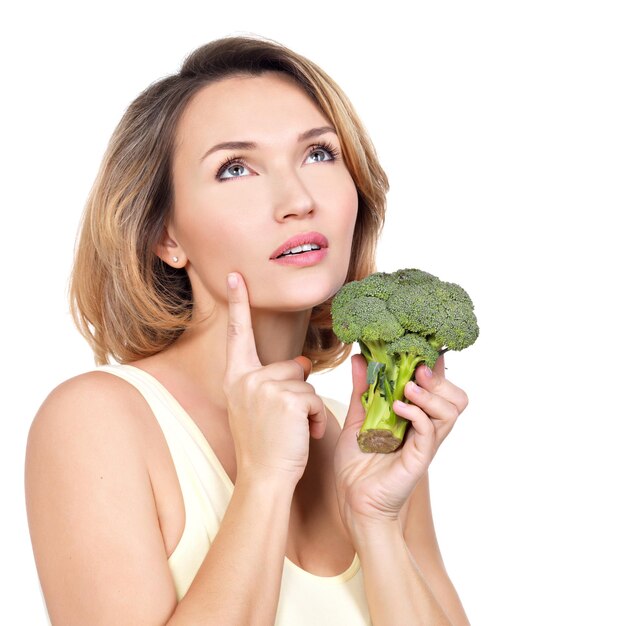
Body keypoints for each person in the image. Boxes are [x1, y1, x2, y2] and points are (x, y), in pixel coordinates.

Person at [25, 35, 471, 625]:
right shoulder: (96, 421)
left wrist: (376, 520)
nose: (297, 200)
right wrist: (262, 482)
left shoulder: (364, 436)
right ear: (167, 237)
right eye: (235, 168)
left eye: (319, 154)